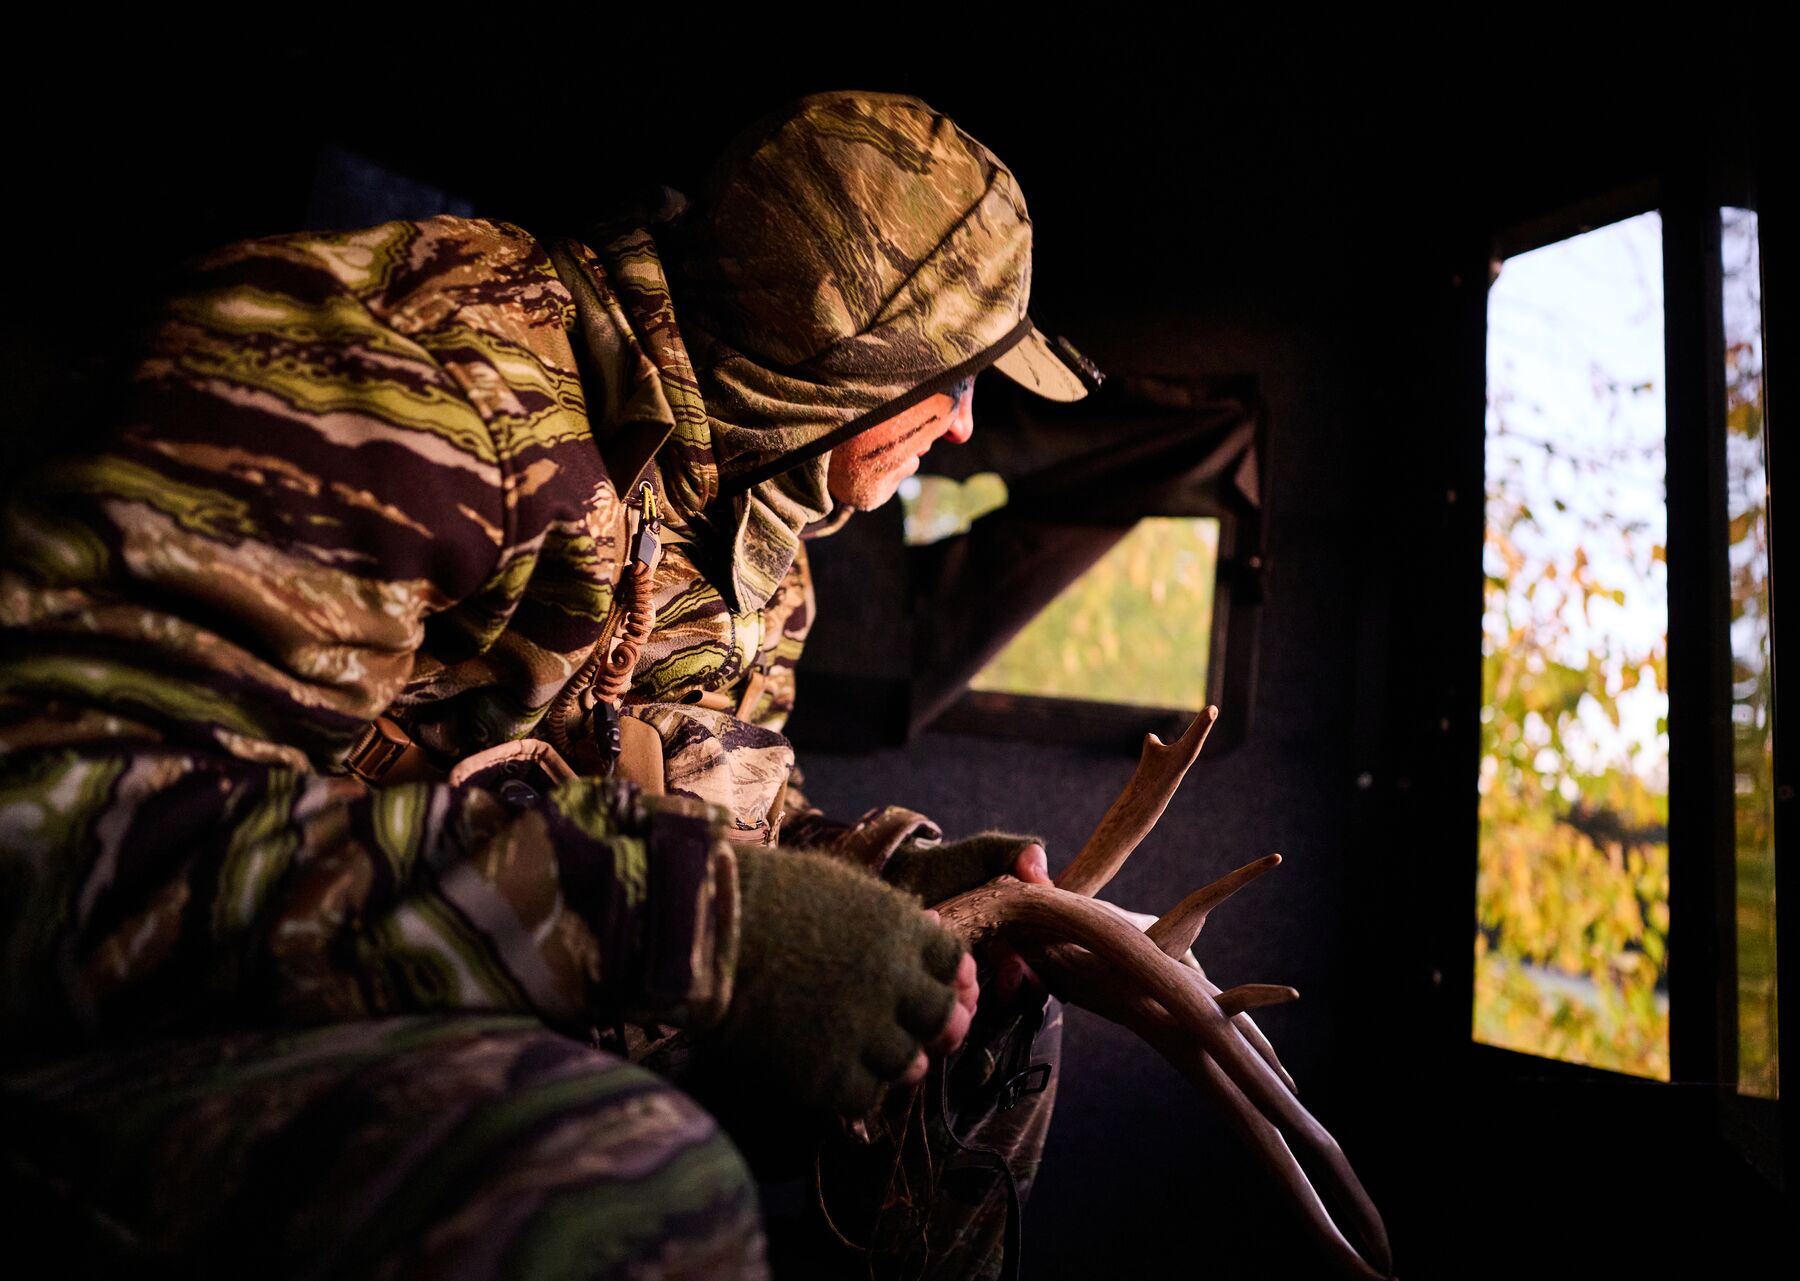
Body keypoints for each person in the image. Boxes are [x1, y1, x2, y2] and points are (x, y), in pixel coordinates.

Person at [0, 90, 1096, 1278]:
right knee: (626, 1176)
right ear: (842, 372)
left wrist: (881, 886)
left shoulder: (747, 525)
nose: (964, 432)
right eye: (958, 383)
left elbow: (699, 810)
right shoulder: (411, 375)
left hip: (411, 1007)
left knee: (981, 1020)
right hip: (115, 1030)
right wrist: (679, 917)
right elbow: (43, 837)